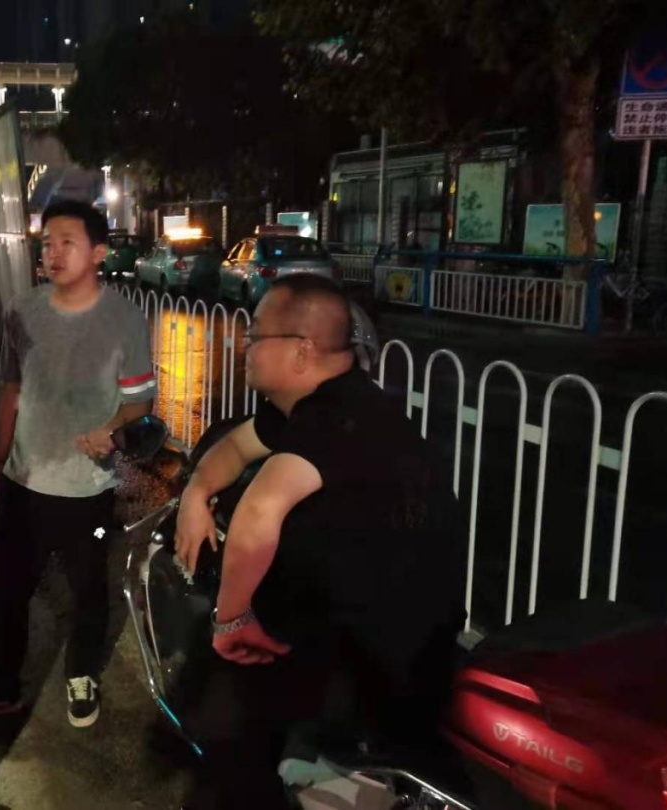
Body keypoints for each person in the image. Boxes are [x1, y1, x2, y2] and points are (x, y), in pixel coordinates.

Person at [173, 274, 467, 809]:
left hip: (378, 656)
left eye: (256, 335)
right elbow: (235, 448)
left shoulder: (338, 416)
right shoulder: (311, 407)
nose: (245, 346)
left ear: (302, 351)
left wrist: (231, 621)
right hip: (361, 630)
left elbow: (260, 509)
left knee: (230, 734)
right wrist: (196, 493)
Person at [0, 199, 156, 729]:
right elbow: (11, 388)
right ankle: (1, 687)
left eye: (68, 242)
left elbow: (139, 401)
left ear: (99, 252)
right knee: (6, 591)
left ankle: (81, 673)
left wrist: (110, 430)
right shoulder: (24, 310)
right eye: (47, 243)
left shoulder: (123, 319)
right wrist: (1, 455)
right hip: (21, 483)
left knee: (88, 589)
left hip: (87, 489)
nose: (53, 253)